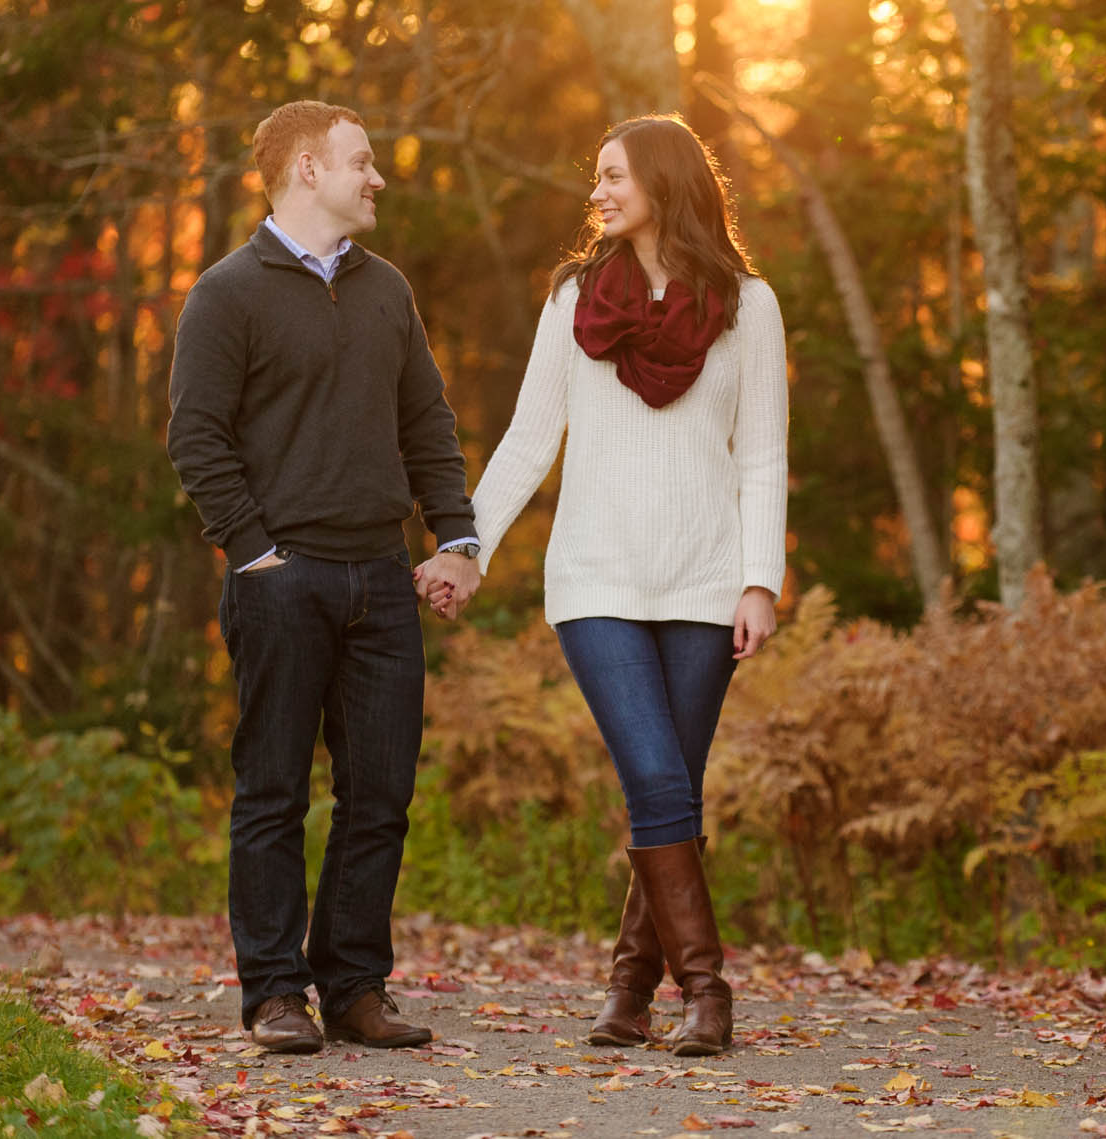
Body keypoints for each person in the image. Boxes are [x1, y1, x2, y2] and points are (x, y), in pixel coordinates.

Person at [436, 114, 787, 1057]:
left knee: (671, 790)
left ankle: (631, 988)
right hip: (595, 577)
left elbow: (762, 453)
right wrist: (468, 546)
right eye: (595, 177)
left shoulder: (748, 306)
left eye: (613, 175)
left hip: (707, 581)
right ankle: (707, 992)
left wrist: (760, 580)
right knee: (658, 779)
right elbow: (528, 437)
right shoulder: (573, 300)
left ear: (664, 182)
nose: (595, 192)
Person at [167, 100, 482, 1054]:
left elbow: (427, 422)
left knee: (380, 795)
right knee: (273, 793)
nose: (377, 177)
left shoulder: (387, 289)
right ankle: (274, 992)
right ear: (307, 168)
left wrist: (456, 536)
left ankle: (353, 986)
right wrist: (254, 551)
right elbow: (197, 436)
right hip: (282, 578)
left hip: (382, 575)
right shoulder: (227, 292)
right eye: (361, 161)